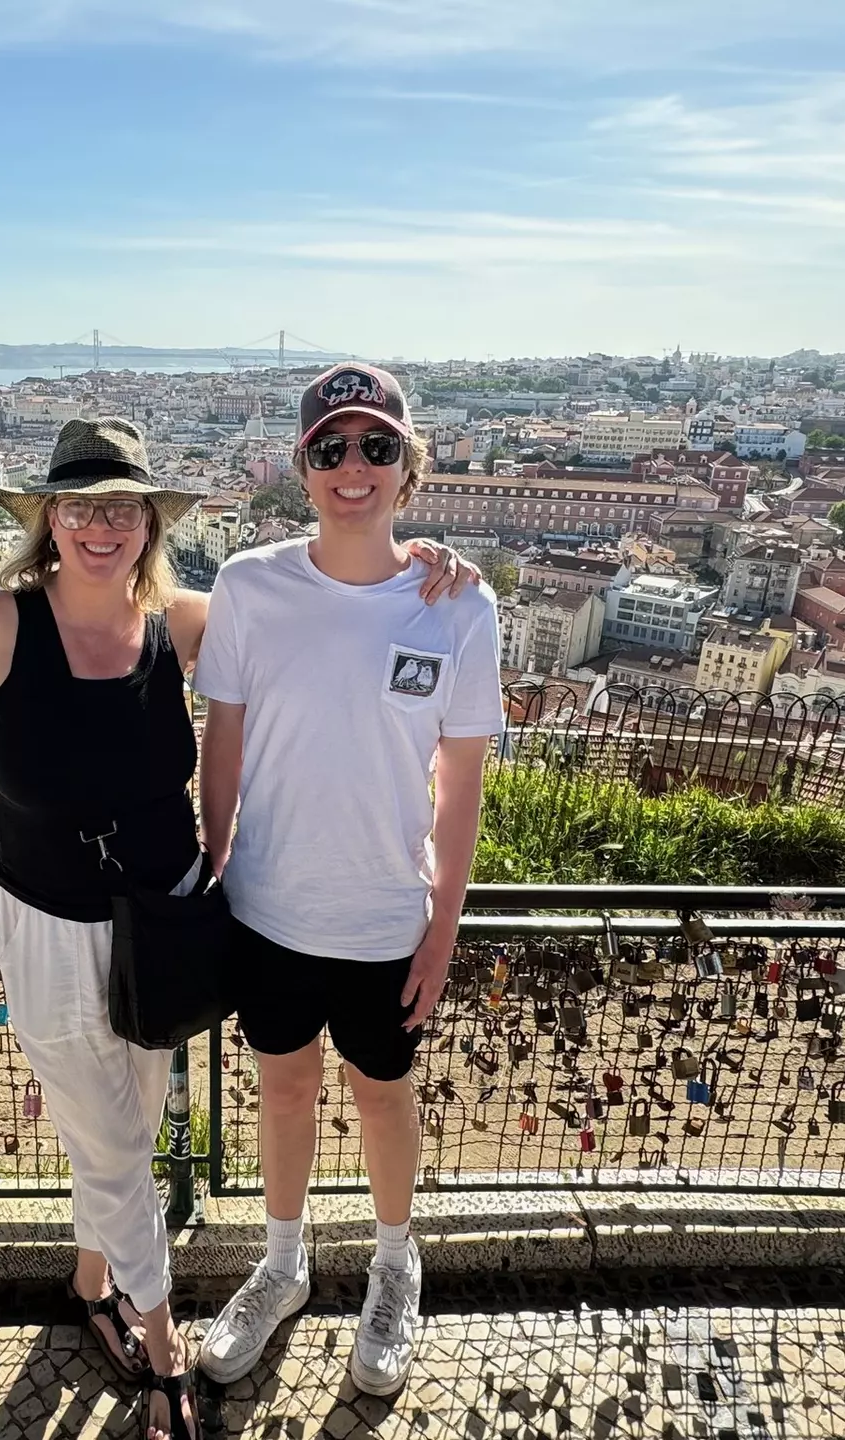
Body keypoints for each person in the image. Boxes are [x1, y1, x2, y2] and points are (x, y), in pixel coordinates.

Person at [0, 416, 475, 1439]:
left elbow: (321, 607)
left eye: (122, 507)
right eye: (80, 506)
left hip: (163, 920)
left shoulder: (186, 620)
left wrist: (429, 561)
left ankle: (89, 1278)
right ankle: (158, 1354)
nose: (101, 525)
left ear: (150, 523)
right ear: (47, 520)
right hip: (50, 925)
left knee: (128, 1128)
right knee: (114, 1148)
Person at [193, 363, 504, 1397]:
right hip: (268, 910)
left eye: (376, 446)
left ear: (408, 467)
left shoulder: (459, 605)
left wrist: (443, 929)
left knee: (383, 1099)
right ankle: (282, 1265)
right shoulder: (249, 586)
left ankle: (391, 1264)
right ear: (303, 470)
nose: (353, 466)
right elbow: (222, 749)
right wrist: (214, 872)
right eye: (331, 449)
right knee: (282, 1089)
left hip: (384, 915)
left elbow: (461, 784)